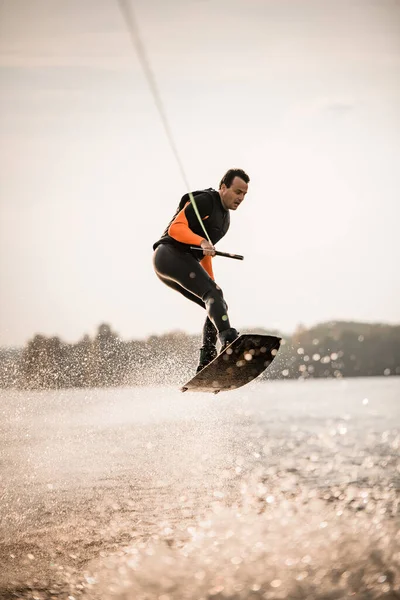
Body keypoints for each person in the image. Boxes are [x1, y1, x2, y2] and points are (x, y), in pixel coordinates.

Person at [153, 168, 250, 372]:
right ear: (223, 187)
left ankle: (207, 357)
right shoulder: (207, 200)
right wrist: (202, 241)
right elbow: (176, 228)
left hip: (182, 262)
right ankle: (230, 343)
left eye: (244, 194)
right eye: (237, 192)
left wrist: (212, 286)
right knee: (213, 296)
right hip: (168, 255)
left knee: (216, 302)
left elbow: (206, 255)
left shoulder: (225, 221)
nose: (241, 198)